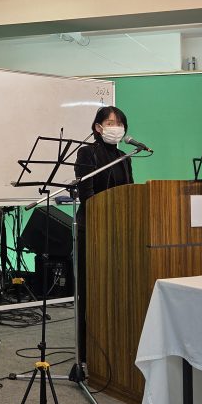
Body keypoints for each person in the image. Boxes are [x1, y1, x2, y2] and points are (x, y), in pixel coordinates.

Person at [73, 106, 135, 363]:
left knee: (116, 289)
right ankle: (86, 353)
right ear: (98, 127)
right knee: (90, 291)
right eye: (110, 123)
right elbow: (86, 193)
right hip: (92, 228)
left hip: (118, 229)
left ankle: (115, 345)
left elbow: (130, 192)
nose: (116, 127)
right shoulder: (87, 152)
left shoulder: (124, 156)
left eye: (120, 123)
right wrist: (103, 216)